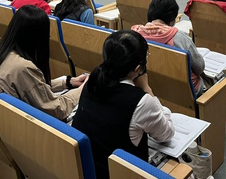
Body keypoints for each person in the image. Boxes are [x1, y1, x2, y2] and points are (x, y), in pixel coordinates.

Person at [72, 30, 174, 179]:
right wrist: (147, 89)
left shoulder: (92, 81)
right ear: (137, 69)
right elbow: (167, 134)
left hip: (88, 169)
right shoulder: (140, 101)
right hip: (121, 173)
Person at [0, 5, 88, 120]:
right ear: (38, 38)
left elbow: (32, 87)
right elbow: (58, 110)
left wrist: (67, 82)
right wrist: (83, 89)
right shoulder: (23, 68)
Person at [132, 0, 205, 96]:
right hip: (184, 92)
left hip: (149, 85)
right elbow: (200, 67)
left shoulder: (136, 34)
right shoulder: (180, 38)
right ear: (172, 19)